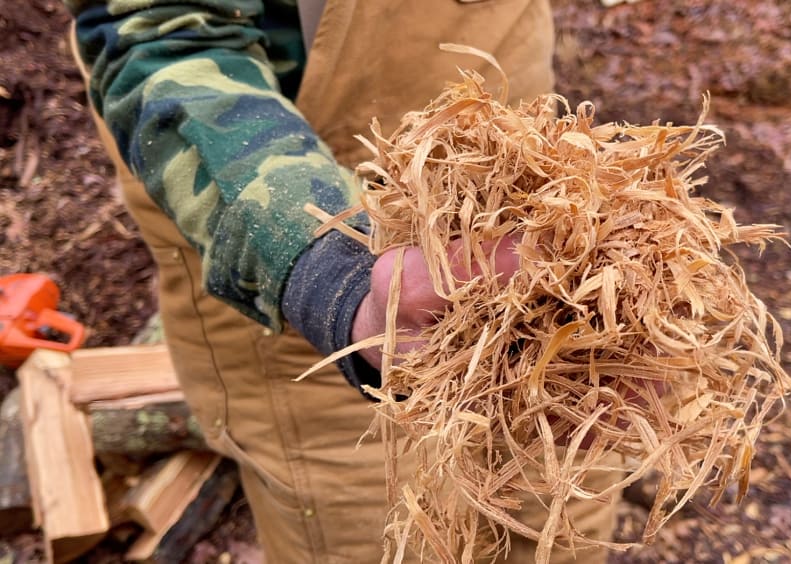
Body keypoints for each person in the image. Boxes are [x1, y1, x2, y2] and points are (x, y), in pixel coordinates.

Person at [64, 0, 618, 561]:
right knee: (398, 538)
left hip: (523, 228)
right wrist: (339, 279)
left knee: (561, 523)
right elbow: (158, 38)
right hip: (303, 266)